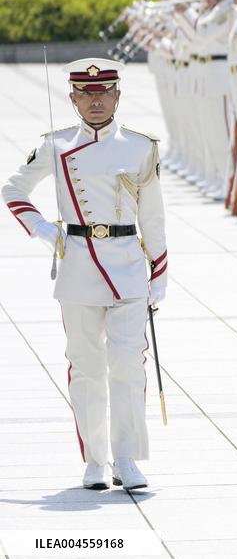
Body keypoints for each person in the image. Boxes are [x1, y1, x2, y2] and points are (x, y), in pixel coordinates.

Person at [2, 58, 167, 491]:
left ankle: (126, 457)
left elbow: (153, 217)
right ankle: (95, 460)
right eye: (86, 94)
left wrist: (160, 274)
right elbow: (13, 190)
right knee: (87, 367)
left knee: (128, 366)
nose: (96, 100)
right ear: (72, 98)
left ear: (117, 95)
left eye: (104, 92)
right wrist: (42, 231)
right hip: (77, 265)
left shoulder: (140, 146)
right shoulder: (55, 145)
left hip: (129, 266)